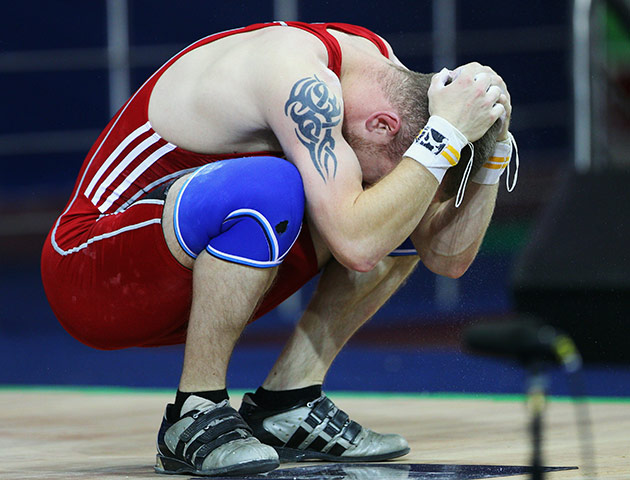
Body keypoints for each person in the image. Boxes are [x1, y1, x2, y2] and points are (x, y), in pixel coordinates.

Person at [41, 21, 514, 477]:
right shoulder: (297, 77)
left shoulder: (380, 71)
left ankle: (287, 404)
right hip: (90, 269)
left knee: (398, 203)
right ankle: (194, 410)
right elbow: (358, 246)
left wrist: (494, 149)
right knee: (281, 187)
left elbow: (446, 257)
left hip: (180, 260)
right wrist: (442, 140)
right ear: (383, 125)